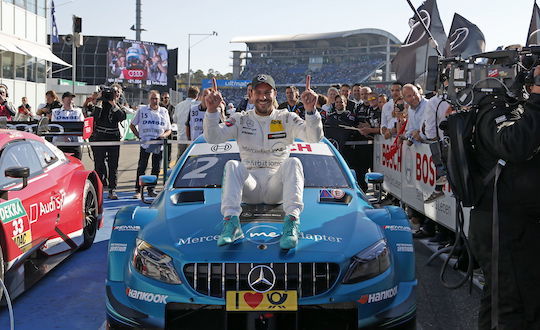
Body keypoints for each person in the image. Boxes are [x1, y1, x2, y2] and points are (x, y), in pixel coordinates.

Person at [203, 74, 323, 249]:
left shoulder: (286, 117)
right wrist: (212, 111)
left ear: (275, 94)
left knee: (293, 162)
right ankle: (231, 223)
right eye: (258, 92)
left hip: (277, 189)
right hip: (249, 188)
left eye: (267, 92)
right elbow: (213, 138)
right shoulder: (240, 118)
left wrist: (311, 111)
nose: (263, 97)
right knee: (232, 165)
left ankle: (291, 222)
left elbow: (314, 138)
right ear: (251, 94)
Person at [468, 66, 540, 330]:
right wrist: (537, 99)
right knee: (512, 307)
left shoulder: (516, 110)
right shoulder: (493, 110)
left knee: (506, 300)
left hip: (516, 223)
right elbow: (514, 143)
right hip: (502, 225)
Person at [130, 90, 172, 199]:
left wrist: (163, 136)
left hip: (158, 144)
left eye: (157, 99)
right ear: (149, 99)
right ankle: (138, 190)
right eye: (153, 99)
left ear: (160, 99)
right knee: (142, 167)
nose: (155, 101)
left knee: (156, 168)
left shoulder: (164, 111)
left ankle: (151, 189)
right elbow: (132, 125)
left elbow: (169, 129)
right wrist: (139, 136)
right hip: (146, 144)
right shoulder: (142, 110)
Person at [90, 86, 127, 200]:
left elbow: (122, 117)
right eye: (112, 92)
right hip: (100, 136)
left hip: (113, 136)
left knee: (113, 165)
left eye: (116, 92)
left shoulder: (118, 106)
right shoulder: (100, 104)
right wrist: (99, 100)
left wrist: (113, 103)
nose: (114, 94)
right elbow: (94, 117)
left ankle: (112, 189)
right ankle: (97, 189)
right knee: (99, 164)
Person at [51, 92, 85, 159]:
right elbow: (55, 126)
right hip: (60, 143)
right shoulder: (56, 112)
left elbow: (81, 125)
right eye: (68, 98)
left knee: (77, 162)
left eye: (71, 99)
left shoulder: (78, 111)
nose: (70, 100)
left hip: (75, 143)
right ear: (63, 100)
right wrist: (64, 136)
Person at [174, 86, 199, 159]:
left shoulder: (179, 105)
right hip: (194, 138)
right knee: (193, 159)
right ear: (197, 95)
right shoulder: (197, 105)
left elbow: (175, 119)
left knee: (180, 159)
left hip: (181, 137)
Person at [160, 92, 175, 165]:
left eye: (168, 98)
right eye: (165, 98)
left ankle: (168, 163)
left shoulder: (172, 107)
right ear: (162, 98)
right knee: (159, 148)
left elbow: (172, 118)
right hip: (161, 130)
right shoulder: (159, 106)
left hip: (169, 129)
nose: (167, 99)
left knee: (169, 147)